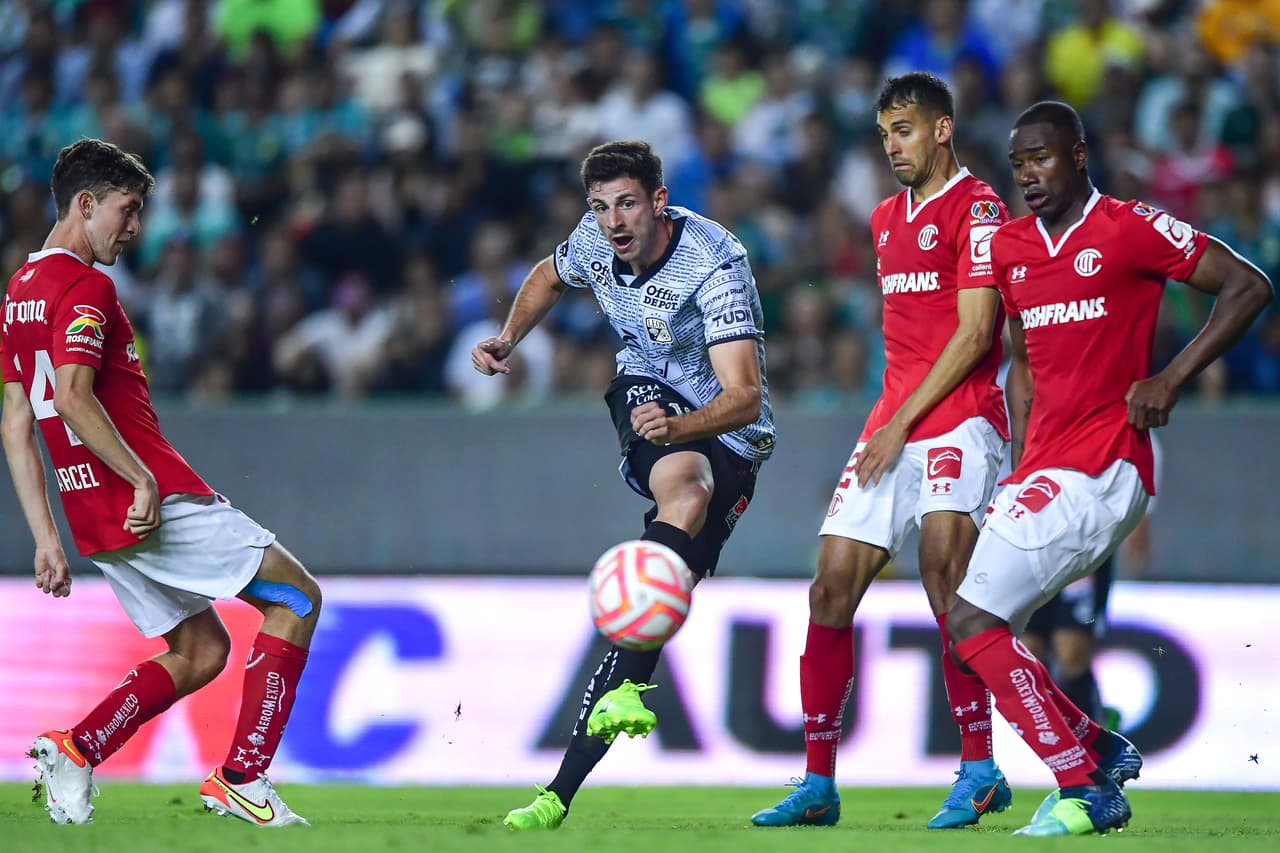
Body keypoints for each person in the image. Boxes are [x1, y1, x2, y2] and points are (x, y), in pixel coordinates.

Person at [946, 100, 1271, 836]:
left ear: (1079, 155)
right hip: (1043, 469)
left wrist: (1171, 376)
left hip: (1107, 463)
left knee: (972, 621)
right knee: (982, 632)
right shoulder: (1011, 250)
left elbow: (1248, 285)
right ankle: (1095, 747)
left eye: (1043, 158)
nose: (1029, 174)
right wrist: (1018, 455)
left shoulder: (1129, 227)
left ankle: (1085, 784)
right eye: (1020, 163)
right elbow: (1025, 360)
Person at [0, 139, 323, 827]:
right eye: (127, 209)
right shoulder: (86, 287)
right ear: (84, 205)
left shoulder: (17, 293)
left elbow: (15, 418)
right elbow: (76, 395)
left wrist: (45, 536)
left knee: (201, 650)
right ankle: (243, 776)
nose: (134, 227)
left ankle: (77, 747)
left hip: (94, 517)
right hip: (149, 501)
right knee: (295, 595)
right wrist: (142, 478)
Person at [471, 139, 774, 830]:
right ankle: (578, 760)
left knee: (651, 622)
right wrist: (509, 336)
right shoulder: (593, 240)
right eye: (601, 206)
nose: (614, 221)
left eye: (628, 202)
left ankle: (558, 791)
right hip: (648, 393)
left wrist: (685, 424)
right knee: (687, 491)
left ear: (659, 202)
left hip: (730, 430)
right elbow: (549, 275)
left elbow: (746, 396)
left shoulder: (715, 264)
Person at [751, 72, 1013, 830]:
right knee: (830, 586)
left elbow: (972, 335)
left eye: (903, 129)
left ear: (941, 128)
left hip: (963, 417)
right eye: (883, 133)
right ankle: (819, 781)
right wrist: (890, 423)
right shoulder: (884, 219)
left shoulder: (980, 209)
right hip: (891, 421)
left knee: (943, 572)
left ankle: (979, 765)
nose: (891, 145)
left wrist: (902, 424)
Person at [1020, 434, 1161, 733]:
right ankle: (1074, 729)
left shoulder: (1127, 431)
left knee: (1071, 652)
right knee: (1028, 652)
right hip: (1035, 547)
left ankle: (1097, 730)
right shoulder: (1040, 417)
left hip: (1085, 551)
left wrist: (1140, 531)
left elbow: (1144, 471)